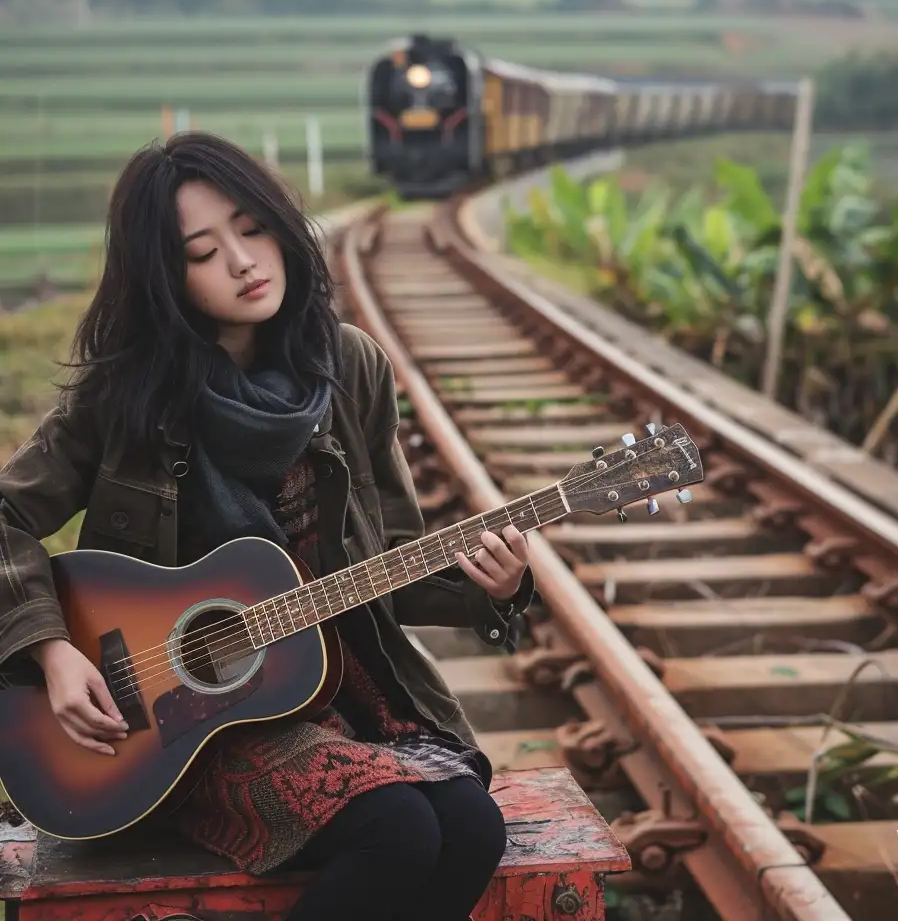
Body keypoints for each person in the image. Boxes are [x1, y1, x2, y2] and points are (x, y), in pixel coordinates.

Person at [0, 133, 534, 920]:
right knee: (397, 831)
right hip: (175, 726)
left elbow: (384, 558)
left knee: (471, 827)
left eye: (252, 230)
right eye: (203, 251)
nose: (244, 262)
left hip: (338, 691)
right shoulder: (122, 397)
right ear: (164, 276)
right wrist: (51, 652)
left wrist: (498, 588)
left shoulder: (351, 367)